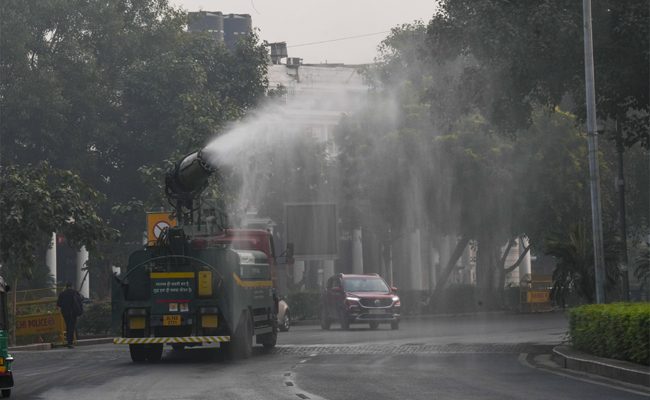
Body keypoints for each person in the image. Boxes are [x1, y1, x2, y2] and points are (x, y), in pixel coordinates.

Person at [56, 282, 77, 349]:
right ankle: (70, 342)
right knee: (71, 327)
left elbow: (58, 304)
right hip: (73, 313)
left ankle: (69, 341)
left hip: (65, 313)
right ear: (72, 286)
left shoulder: (62, 294)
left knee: (68, 327)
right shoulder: (74, 293)